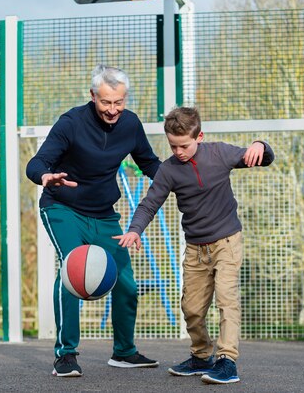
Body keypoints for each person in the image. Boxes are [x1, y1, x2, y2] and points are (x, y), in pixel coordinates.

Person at [114, 106, 275, 384]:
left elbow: (263, 158)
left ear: (199, 136)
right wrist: (135, 229)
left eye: (183, 145)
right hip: (196, 249)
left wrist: (261, 145)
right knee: (191, 308)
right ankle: (201, 356)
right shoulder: (169, 170)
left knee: (227, 300)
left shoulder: (219, 154)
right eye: (172, 145)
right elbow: (150, 203)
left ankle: (227, 360)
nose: (178, 151)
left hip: (226, 242)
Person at [26, 64, 161, 377]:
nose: (112, 110)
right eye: (105, 103)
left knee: (126, 282)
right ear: (92, 96)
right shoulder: (71, 123)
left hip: (103, 214)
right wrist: (45, 176)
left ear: (125, 99)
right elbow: (38, 162)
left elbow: (150, 163)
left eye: (119, 102)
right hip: (63, 208)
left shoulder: (130, 125)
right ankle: (66, 355)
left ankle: (124, 352)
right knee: (72, 271)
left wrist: (180, 180)